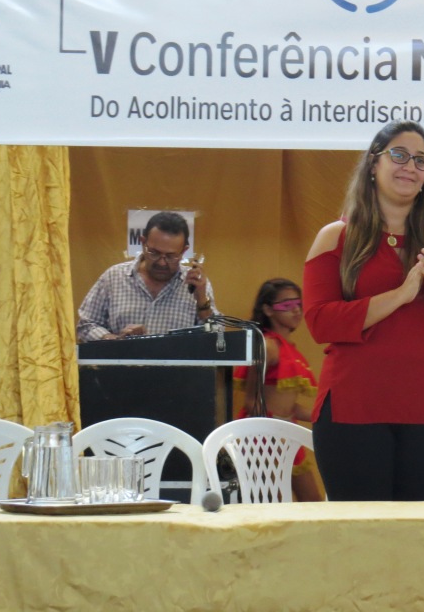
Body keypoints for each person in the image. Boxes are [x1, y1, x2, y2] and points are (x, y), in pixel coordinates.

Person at [302, 120, 424, 501]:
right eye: (399, 155)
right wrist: (400, 295)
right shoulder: (336, 236)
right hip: (353, 411)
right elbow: (320, 321)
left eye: (421, 160)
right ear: (373, 165)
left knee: (421, 540)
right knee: (359, 539)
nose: (410, 166)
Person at [234, 278, 323, 502]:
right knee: (274, 504)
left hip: (286, 433)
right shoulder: (268, 346)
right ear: (267, 309)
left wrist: (322, 418)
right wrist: (270, 436)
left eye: (298, 304)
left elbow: (288, 405)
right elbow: (251, 401)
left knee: (313, 502)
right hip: (263, 437)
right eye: (286, 305)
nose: (295, 310)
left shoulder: (288, 347)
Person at [76, 211, 216, 342]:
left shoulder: (196, 285)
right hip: (124, 366)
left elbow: (217, 337)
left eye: (171, 256)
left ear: (184, 251)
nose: (162, 262)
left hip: (177, 368)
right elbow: (86, 325)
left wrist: (202, 302)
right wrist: (116, 340)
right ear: (143, 243)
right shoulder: (114, 277)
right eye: (154, 253)